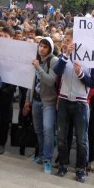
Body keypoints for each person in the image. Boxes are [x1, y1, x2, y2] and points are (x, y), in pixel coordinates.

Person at [54, 28, 94, 183]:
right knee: (61, 136)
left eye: (70, 41)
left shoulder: (91, 59)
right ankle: (63, 165)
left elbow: (93, 83)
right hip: (65, 100)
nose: (67, 43)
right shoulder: (63, 57)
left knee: (81, 139)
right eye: (66, 40)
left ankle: (81, 169)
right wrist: (66, 55)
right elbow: (57, 71)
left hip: (80, 102)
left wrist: (80, 73)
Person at [23, 37, 58, 174]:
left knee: (48, 130)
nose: (41, 49)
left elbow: (50, 81)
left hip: (49, 101)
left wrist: (38, 68)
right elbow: (31, 81)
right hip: (36, 100)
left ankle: (48, 160)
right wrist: (28, 100)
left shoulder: (53, 61)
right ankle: (42, 155)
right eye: (40, 46)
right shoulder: (35, 60)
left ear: (50, 48)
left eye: (45, 46)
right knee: (38, 130)